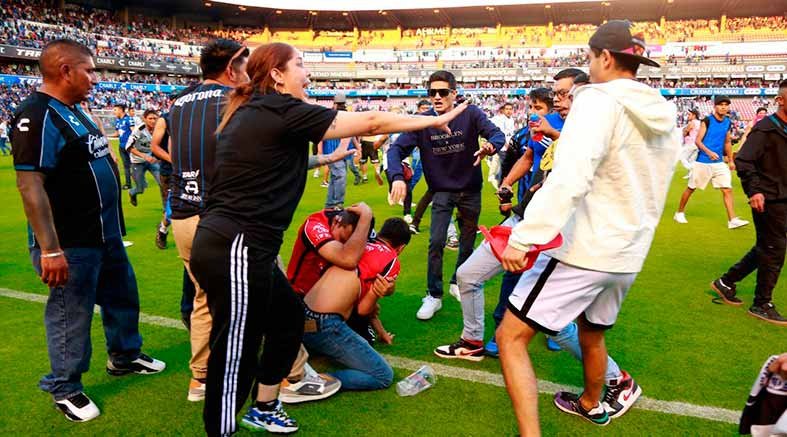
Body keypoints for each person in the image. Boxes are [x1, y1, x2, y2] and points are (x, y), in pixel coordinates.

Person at [187, 42, 466, 436]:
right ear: (278, 75)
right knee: (237, 349)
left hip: (249, 248)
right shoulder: (275, 108)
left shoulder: (262, 112)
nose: (307, 72)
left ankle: (265, 406)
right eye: (299, 64)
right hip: (236, 246)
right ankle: (221, 430)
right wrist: (432, 120)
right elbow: (370, 123)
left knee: (287, 319)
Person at [495, 21, 680, 432]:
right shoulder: (665, 112)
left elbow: (570, 176)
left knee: (510, 337)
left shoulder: (596, 99)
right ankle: (592, 402)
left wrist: (524, 238)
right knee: (591, 331)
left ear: (606, 58)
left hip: (586, 248)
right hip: (628, 252)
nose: (589, 66)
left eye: (591, 58)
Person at [10, 39, 165, 423]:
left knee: (122, 295)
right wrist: (49, 249)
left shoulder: (74, 110)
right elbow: (30, 185)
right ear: (65, 70)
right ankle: (65, 387)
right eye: (90, 70)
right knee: (70, 312)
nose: (96, 78)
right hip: (70, 240)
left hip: (104, 234)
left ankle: (125, 356)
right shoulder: (37, 114)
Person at [168, 39, 250, 403]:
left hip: (182, 215)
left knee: (203, 299)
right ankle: (289, 377)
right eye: (245, 67)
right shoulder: (232, 100)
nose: (247, 75)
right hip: (220, 218)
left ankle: (199, 379)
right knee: (263, 291)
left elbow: (170, 152)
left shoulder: (177, 103)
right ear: (231, 68)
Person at [388, 70, 506, 321]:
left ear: (454, 93)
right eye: (432, 93)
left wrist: (490, 146)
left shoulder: (470, 113)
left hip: (471, 190)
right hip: (441, 190)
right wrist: (397, 176)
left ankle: (456, 282)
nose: (437, 97)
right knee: (436, 242)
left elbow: (497, 134)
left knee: (466, 242)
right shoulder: (422, 121)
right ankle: (434, 295)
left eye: (443, 92)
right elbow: (396, 149)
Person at [301, 218, 411, 391]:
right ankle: (313, 380)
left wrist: (381, 330)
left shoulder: (359, 245)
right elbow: (363, 309)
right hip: (326, 324)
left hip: (303, 317)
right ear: (401, 247)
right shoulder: (391, 260)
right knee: (382, 375)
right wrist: (378, 293)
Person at [710, 79, 787, 325]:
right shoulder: (766, 128)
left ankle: (727, 281)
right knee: (775, 248)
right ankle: (762, 303)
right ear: (781, 100)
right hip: (767, 198)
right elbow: (743, 161)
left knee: (767, 246)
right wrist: (755, 191)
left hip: (781, 196)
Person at [674, 95, 750, 229]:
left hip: (719, 162)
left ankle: (732, 220)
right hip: (703, 161)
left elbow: (727, 142)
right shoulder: (707, 120)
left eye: (726, 105)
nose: (724, 107)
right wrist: (709, 152)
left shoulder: (728, 122)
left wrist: (731, 160)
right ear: (715, 106)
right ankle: (679, 213)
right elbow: (698, 140)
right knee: (691, 188)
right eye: (721, 104)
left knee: (727, 189)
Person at [125, 109, 160, 207]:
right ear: (144, 119)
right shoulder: (139, 130)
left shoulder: (159, 129)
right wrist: (144, 156)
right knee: (140, 189)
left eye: (155, 118)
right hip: (137, 162)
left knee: (163, 184)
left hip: (152, 161)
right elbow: (128, 147)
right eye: (150, 118)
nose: (153, 121)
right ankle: (132, 193)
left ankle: (167, 210)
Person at [487, 102, 516, 190]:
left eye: (510, 109)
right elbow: (501, 134)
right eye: (507, 109)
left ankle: (505, 184)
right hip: (503, 148)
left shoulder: (511, 120)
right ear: (503, 110)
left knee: (510, 167)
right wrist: (506, 145)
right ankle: (501, 186)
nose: (509, 111)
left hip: (510, 147)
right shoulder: (500, 120)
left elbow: (510, 134)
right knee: (504, 167)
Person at [107, 103, 134, 190]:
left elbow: (134, 132)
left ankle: (140, 181)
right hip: (121, 146)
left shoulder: (129, 119)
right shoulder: (118, 121)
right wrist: (106, 135)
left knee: (135, 164)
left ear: (121, 110)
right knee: (126, 165)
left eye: (115, 110)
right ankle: (128, 184)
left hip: (130, 146)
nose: (114, 112)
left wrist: (133, 143)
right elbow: (117, 134)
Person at [679, 108, 701, 175]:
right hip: (697, 143)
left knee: (682, 157)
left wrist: (684, 130)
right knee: (691, 160)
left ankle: (692, 169)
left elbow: (685, 132)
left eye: (689, 114)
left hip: (690, 143)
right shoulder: (699, 122)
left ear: (694, 115)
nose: (688, 116)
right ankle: (690, 174)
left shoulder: (692, 122)